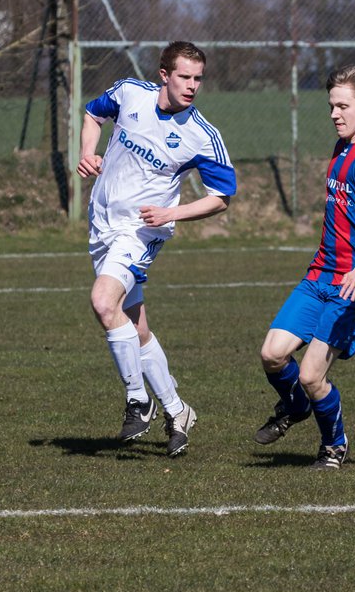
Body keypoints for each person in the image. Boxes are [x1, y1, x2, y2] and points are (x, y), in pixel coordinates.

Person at [77, 41, 236, 457]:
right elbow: (93, 113)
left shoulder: (202, 135)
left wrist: (173, 214)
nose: (192, 86)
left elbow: (221, 196)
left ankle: (137, 399)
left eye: (198, 78)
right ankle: (177, 409)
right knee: (134, 325)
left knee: (102, 301)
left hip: (140, 232)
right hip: (102, 222)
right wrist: (87, 153)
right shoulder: (130, 93)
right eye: (184, 76)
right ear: (164, 74)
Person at [254, 65, 355, 469]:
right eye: (331, 106)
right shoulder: (342, 147)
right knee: (272, 353)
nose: (334, 114)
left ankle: (334, 445)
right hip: (320, 275)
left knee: (310, 375)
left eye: (343, 106)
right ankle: (296, 408)